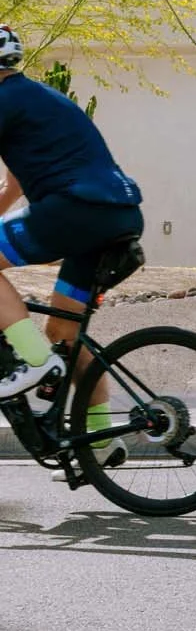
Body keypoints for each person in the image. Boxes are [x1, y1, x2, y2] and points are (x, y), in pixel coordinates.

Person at [0, 27, 147, 464]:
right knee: (65, 331)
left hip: (76, 209)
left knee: (46, 349)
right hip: (114, 215)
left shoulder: (6, 101)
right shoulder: (33, 100)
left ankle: (32, 361)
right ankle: (100, 442)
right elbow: (15, 184)